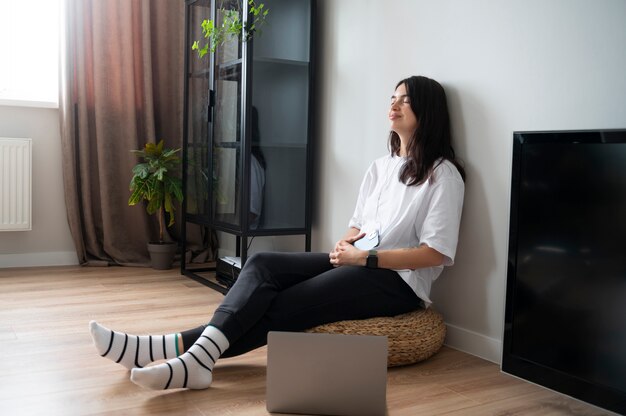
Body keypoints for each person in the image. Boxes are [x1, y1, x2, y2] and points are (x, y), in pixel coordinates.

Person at [89, 75, 466, 390]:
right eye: (393, 97)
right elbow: (359, 224)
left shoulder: (443, 175)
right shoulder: (380, 167)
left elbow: (436, 253)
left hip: (397, 282)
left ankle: (163, 350)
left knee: (285, 304)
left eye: (406, 100)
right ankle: (187, 358)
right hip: (357, 262)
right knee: (264, 263)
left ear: (428, 111)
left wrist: (364, 257)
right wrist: (346, 241)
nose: (395, 104)